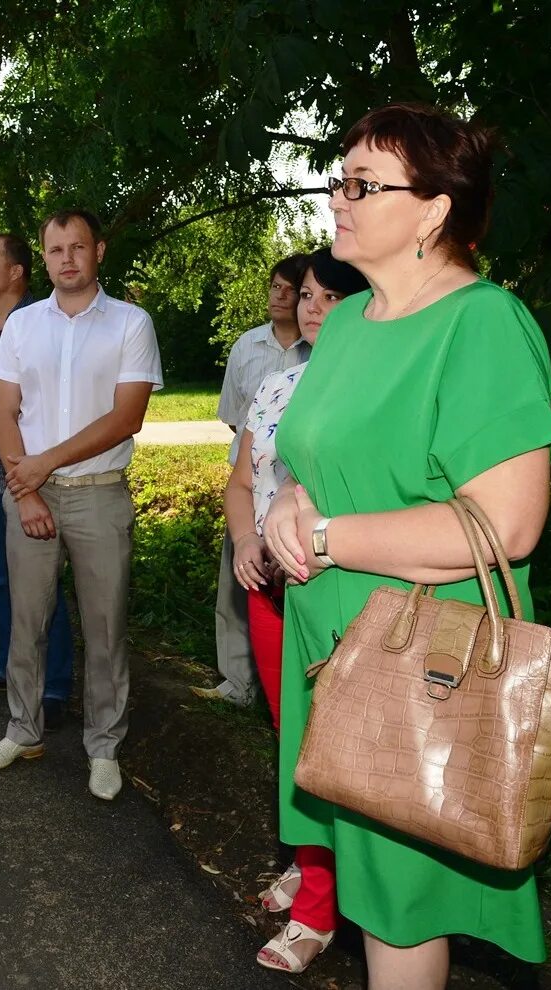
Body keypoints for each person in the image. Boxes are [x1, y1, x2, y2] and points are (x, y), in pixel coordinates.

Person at [263, 103, 551, 989]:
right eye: (338, 177)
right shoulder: (352, 320)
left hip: (420, 669)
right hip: (336, 649)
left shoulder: (483, 324)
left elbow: (507, 526)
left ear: (434, 210)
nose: (338, 196)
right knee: (370, 898)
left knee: (399, 909)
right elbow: (326, 450)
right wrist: (294, 498)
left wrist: (323, 532)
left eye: (364, 182)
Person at [0, 209, 163, 802]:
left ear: (98, 250)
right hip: (30, 494)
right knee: (24, 621)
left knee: (105, 629)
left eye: (78, 247)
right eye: (56, 250)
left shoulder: (131, 322)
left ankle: (103, 746)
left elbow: (126, 417)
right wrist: (27, 490)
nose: (68, 259)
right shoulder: (23, 326)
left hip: (99, 495)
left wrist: (42, 463)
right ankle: (22, 731)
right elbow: (2, 411)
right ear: (44, 259)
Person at [221, 248, 368, 974]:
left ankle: (319, 908)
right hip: (271, 592)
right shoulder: (276, 383)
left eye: (334, 297)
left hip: (341, 593)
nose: (314, 307)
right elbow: (242, 482)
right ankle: (315, 867)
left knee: (334, 750)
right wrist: (246, 538)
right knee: (294, 742)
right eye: (308, 294)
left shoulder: (375, 387)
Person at [0, 233, 75, 729]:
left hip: (30, 480)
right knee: (0, 582)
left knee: (44, 586)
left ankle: (54, 687)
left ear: (16, 272)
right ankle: (9, 669)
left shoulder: (44, 324)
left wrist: (28, 477)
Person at [192, 254, 308, 705]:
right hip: (249, 486)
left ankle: (293, 687)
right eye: (274, 287)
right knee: (240, 578)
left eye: (290, 290)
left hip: (302, 496)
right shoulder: (246, 346)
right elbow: (234, 418)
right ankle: (239, 681)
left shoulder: (321, 351)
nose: (280, 296)